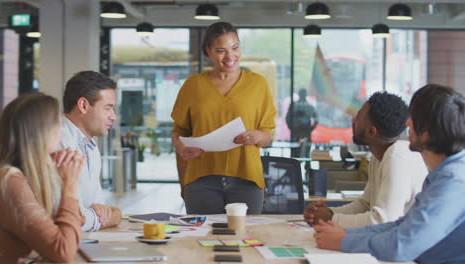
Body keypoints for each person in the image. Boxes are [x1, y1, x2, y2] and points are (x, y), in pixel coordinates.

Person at [314, 84, 465, 264]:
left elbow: (402, 245)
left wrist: (343, 240)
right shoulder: (443, 173)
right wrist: (344, 233)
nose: (407, 123)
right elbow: (401, 225)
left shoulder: (454, 180)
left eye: (413, 118)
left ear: (427, 133)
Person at [171, 22, 277, 214]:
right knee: (201, 239)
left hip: (247, 179)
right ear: (208, 51)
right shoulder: (192, 85)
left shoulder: (258, 85)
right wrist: (182, 147)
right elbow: (179, 132)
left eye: (235, 48)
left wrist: (256, 136)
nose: (230, 56)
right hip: (201, 179)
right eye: (221, 50)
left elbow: (267, 135)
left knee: (245, 239)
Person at [304, 92, 428, 228]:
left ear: (371, 132)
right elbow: (365, 205)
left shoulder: (397, 156)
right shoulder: (379, 155)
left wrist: (331, 219)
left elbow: (383, 220)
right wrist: (327, 213)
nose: (354, 120)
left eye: (359, 116)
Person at [0, 93, 85, 263]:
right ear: (42, 133)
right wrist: (70, 186)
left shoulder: (24, 175)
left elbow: (77, 222)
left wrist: (55, 177)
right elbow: (63, 251)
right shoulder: (9, 180)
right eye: (58, 124)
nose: (61, 131)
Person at [61, 71, 122, 232]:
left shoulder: (91, 147)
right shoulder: (59, 143)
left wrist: (107, 214)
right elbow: (73, 219)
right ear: (83, 105)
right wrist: (115, 216)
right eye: (107, 108)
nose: (113, 117)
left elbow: (99, 209)